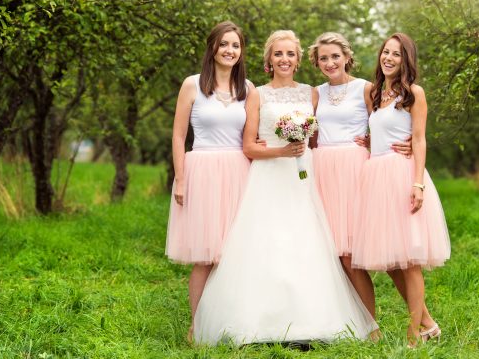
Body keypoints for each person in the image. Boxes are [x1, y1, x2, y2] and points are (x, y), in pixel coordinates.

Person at [194, 30, 378, 345]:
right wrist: (281, 150)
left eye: (290, 54)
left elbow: (324, 134)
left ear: (298, 60)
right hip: (268, 177)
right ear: (269, 60)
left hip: (304, 178)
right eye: (278, 54)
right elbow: (249, 147)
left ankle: (307, 319)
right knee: (267, 244)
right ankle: (262, 320)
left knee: (306, 242)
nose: (284, 59)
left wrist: (366, 139)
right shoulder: (257, 94)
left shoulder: (311, 94)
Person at [352, 33, 450, 347]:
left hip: (402, 174)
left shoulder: (414, 94)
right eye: (385, 52)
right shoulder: (375, 93)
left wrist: (418, 183)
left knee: (409, 260)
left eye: (396, 54)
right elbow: (378, 130)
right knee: (392, 261)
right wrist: (367, 143)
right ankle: (429, 323)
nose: (389, 58)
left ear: (406, 59)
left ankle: (414, 334)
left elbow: (419, 139)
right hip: (376, 175)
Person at [308, 32, 412, 319]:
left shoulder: (366, 89)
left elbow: (386, 122)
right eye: (323, 58)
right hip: (325, 172)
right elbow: (311, 137)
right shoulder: (316, 93)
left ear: (347, 58)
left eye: (335, 56)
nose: (330, 63)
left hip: (357, 171)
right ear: (317, 63)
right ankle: (369, 325)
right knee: (343, 254)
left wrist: (412, 141)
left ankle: (423, 318)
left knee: (379, 248)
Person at [165, 21, 252, 341]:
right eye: (224, 44)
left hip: (239, 172)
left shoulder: (249, 89)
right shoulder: (192, 85)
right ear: (212, 48)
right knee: (206, 254)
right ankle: (197, 326)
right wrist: (181, 178)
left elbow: (255, 136)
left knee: (233, 253)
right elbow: (177, 136)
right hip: (201, 168)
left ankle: (231, 323)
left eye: (236, 46)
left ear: (242, 52)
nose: (230, 51)